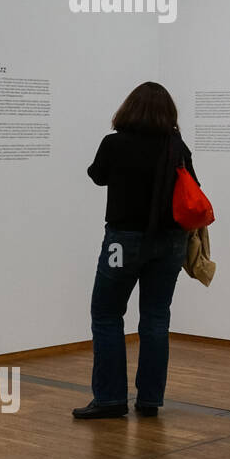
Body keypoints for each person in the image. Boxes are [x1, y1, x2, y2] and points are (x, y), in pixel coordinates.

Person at [73, 82, 199, 419]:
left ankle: (111, 399)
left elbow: (97, 176)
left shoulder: (115, 143)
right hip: (171, 242)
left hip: (122, 241)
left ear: (129, 108)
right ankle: (149, 401)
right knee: (156, 318)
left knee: (107, 314)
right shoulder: (176, 146)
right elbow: (193, 189)